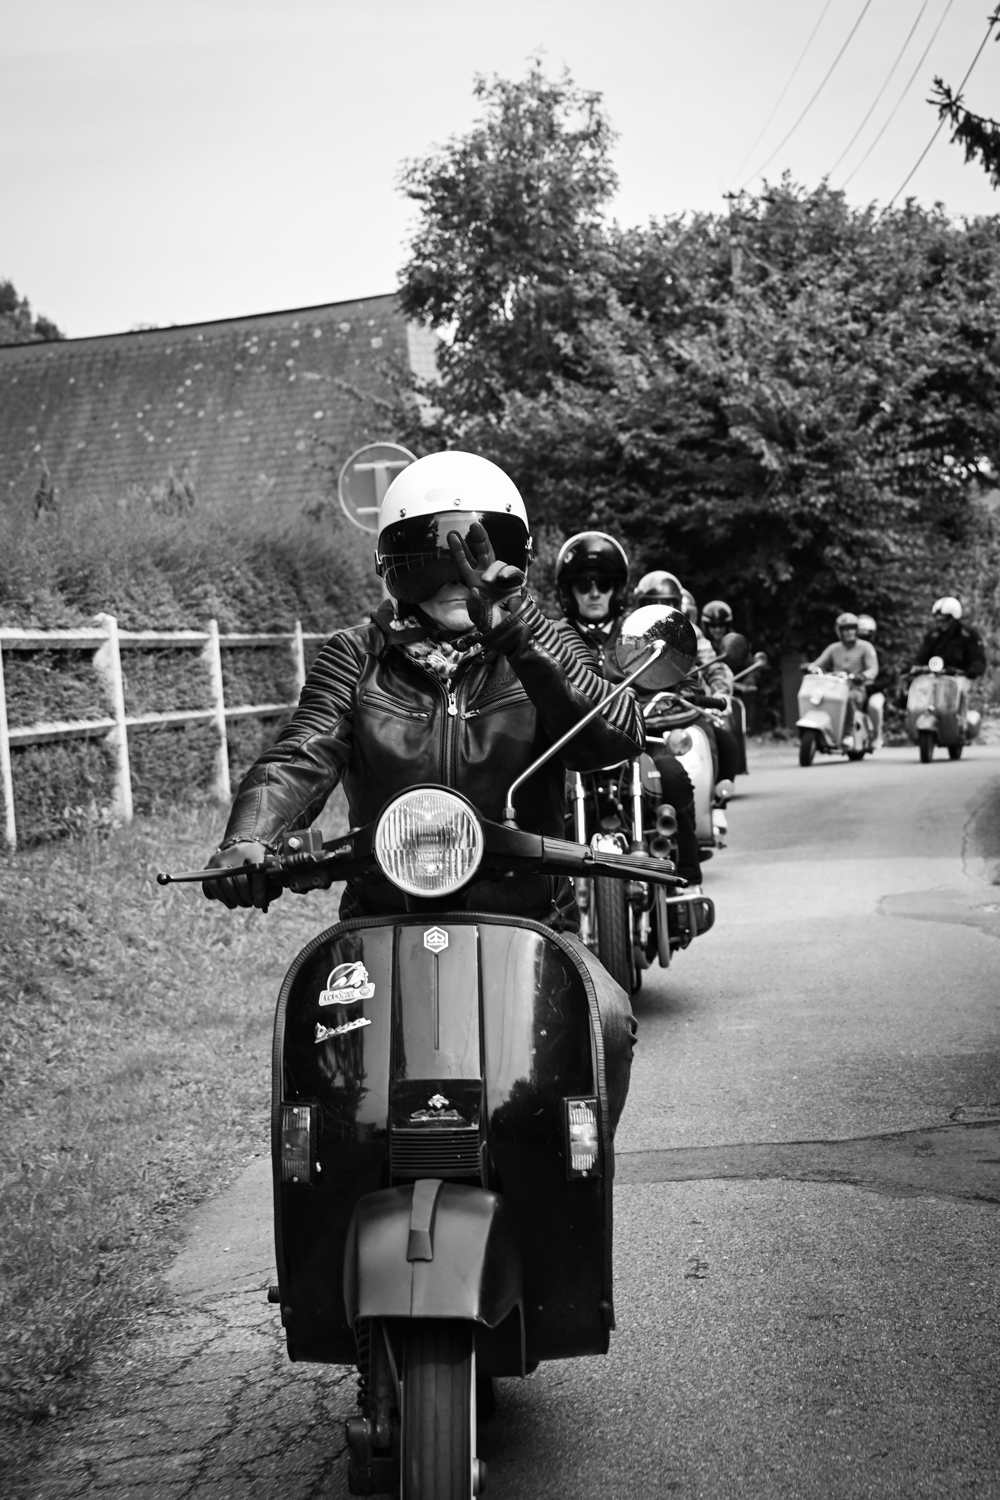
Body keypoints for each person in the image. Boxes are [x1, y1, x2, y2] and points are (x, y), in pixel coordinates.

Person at [203, 452, 643, 939]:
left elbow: (612, 739)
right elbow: (302, 753)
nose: (457, 577)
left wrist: (520, 632)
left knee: (603, 993)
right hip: (383, 926)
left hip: (532, 928)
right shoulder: (357, 655)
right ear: (394, 566)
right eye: (430, 559)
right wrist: (250, 836)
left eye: (478, 557)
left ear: (516, 560)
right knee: (313, 993)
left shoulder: (550, 641)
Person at [553, 537, 703, 892]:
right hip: (574, 746)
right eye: (584, 584)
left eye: (603, 584)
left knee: (674, 776)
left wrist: (681, 693)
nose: (594, 592)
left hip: (638, 737)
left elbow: (682, 674)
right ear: (569, 591)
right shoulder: (554, 636)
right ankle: (546, 894)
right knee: (541, 795)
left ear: (617, 589)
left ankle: (688, 881)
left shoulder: (641, 631)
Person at [632, 571, 741, 795]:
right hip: (642, 718)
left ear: (677, 605)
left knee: (724, 743)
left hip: (686, 710)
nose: (660, 610)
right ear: (640, 605)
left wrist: (721, 693)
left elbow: (714, 666)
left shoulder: (690, 632)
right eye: (652, 603)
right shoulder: (630, 634)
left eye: (667, 603)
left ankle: (714, 801)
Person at [808, 613, 878, 720]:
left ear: (857, 629)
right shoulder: (833, 648)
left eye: (852, 628)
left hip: (856, 688)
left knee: (847, 698)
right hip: (834, 688)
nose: (849, 632)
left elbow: (873, 669)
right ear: (839, 631)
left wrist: (862, 676)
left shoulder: (865, 647)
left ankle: (849, 730)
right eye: (845, 629)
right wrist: (810, 667)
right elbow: (817, 664)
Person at [912, 597, 986, 680]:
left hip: (960, 679)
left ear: (953, 619)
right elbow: (921, 658)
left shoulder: (968, 635)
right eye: (938, 621)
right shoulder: (933, 636)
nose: (940, 624)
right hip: (934, 679)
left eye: (943, 620)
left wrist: (972, 671)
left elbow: (978, 659)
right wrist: (913, 668)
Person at [856, 613, 887, 749]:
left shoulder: (878, 653)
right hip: (853, 689)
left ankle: (877, 735)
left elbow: (888, 676)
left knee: (874, 706)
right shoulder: (849, 650)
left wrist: (872, 687)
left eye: (866, 633)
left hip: (873, 691)